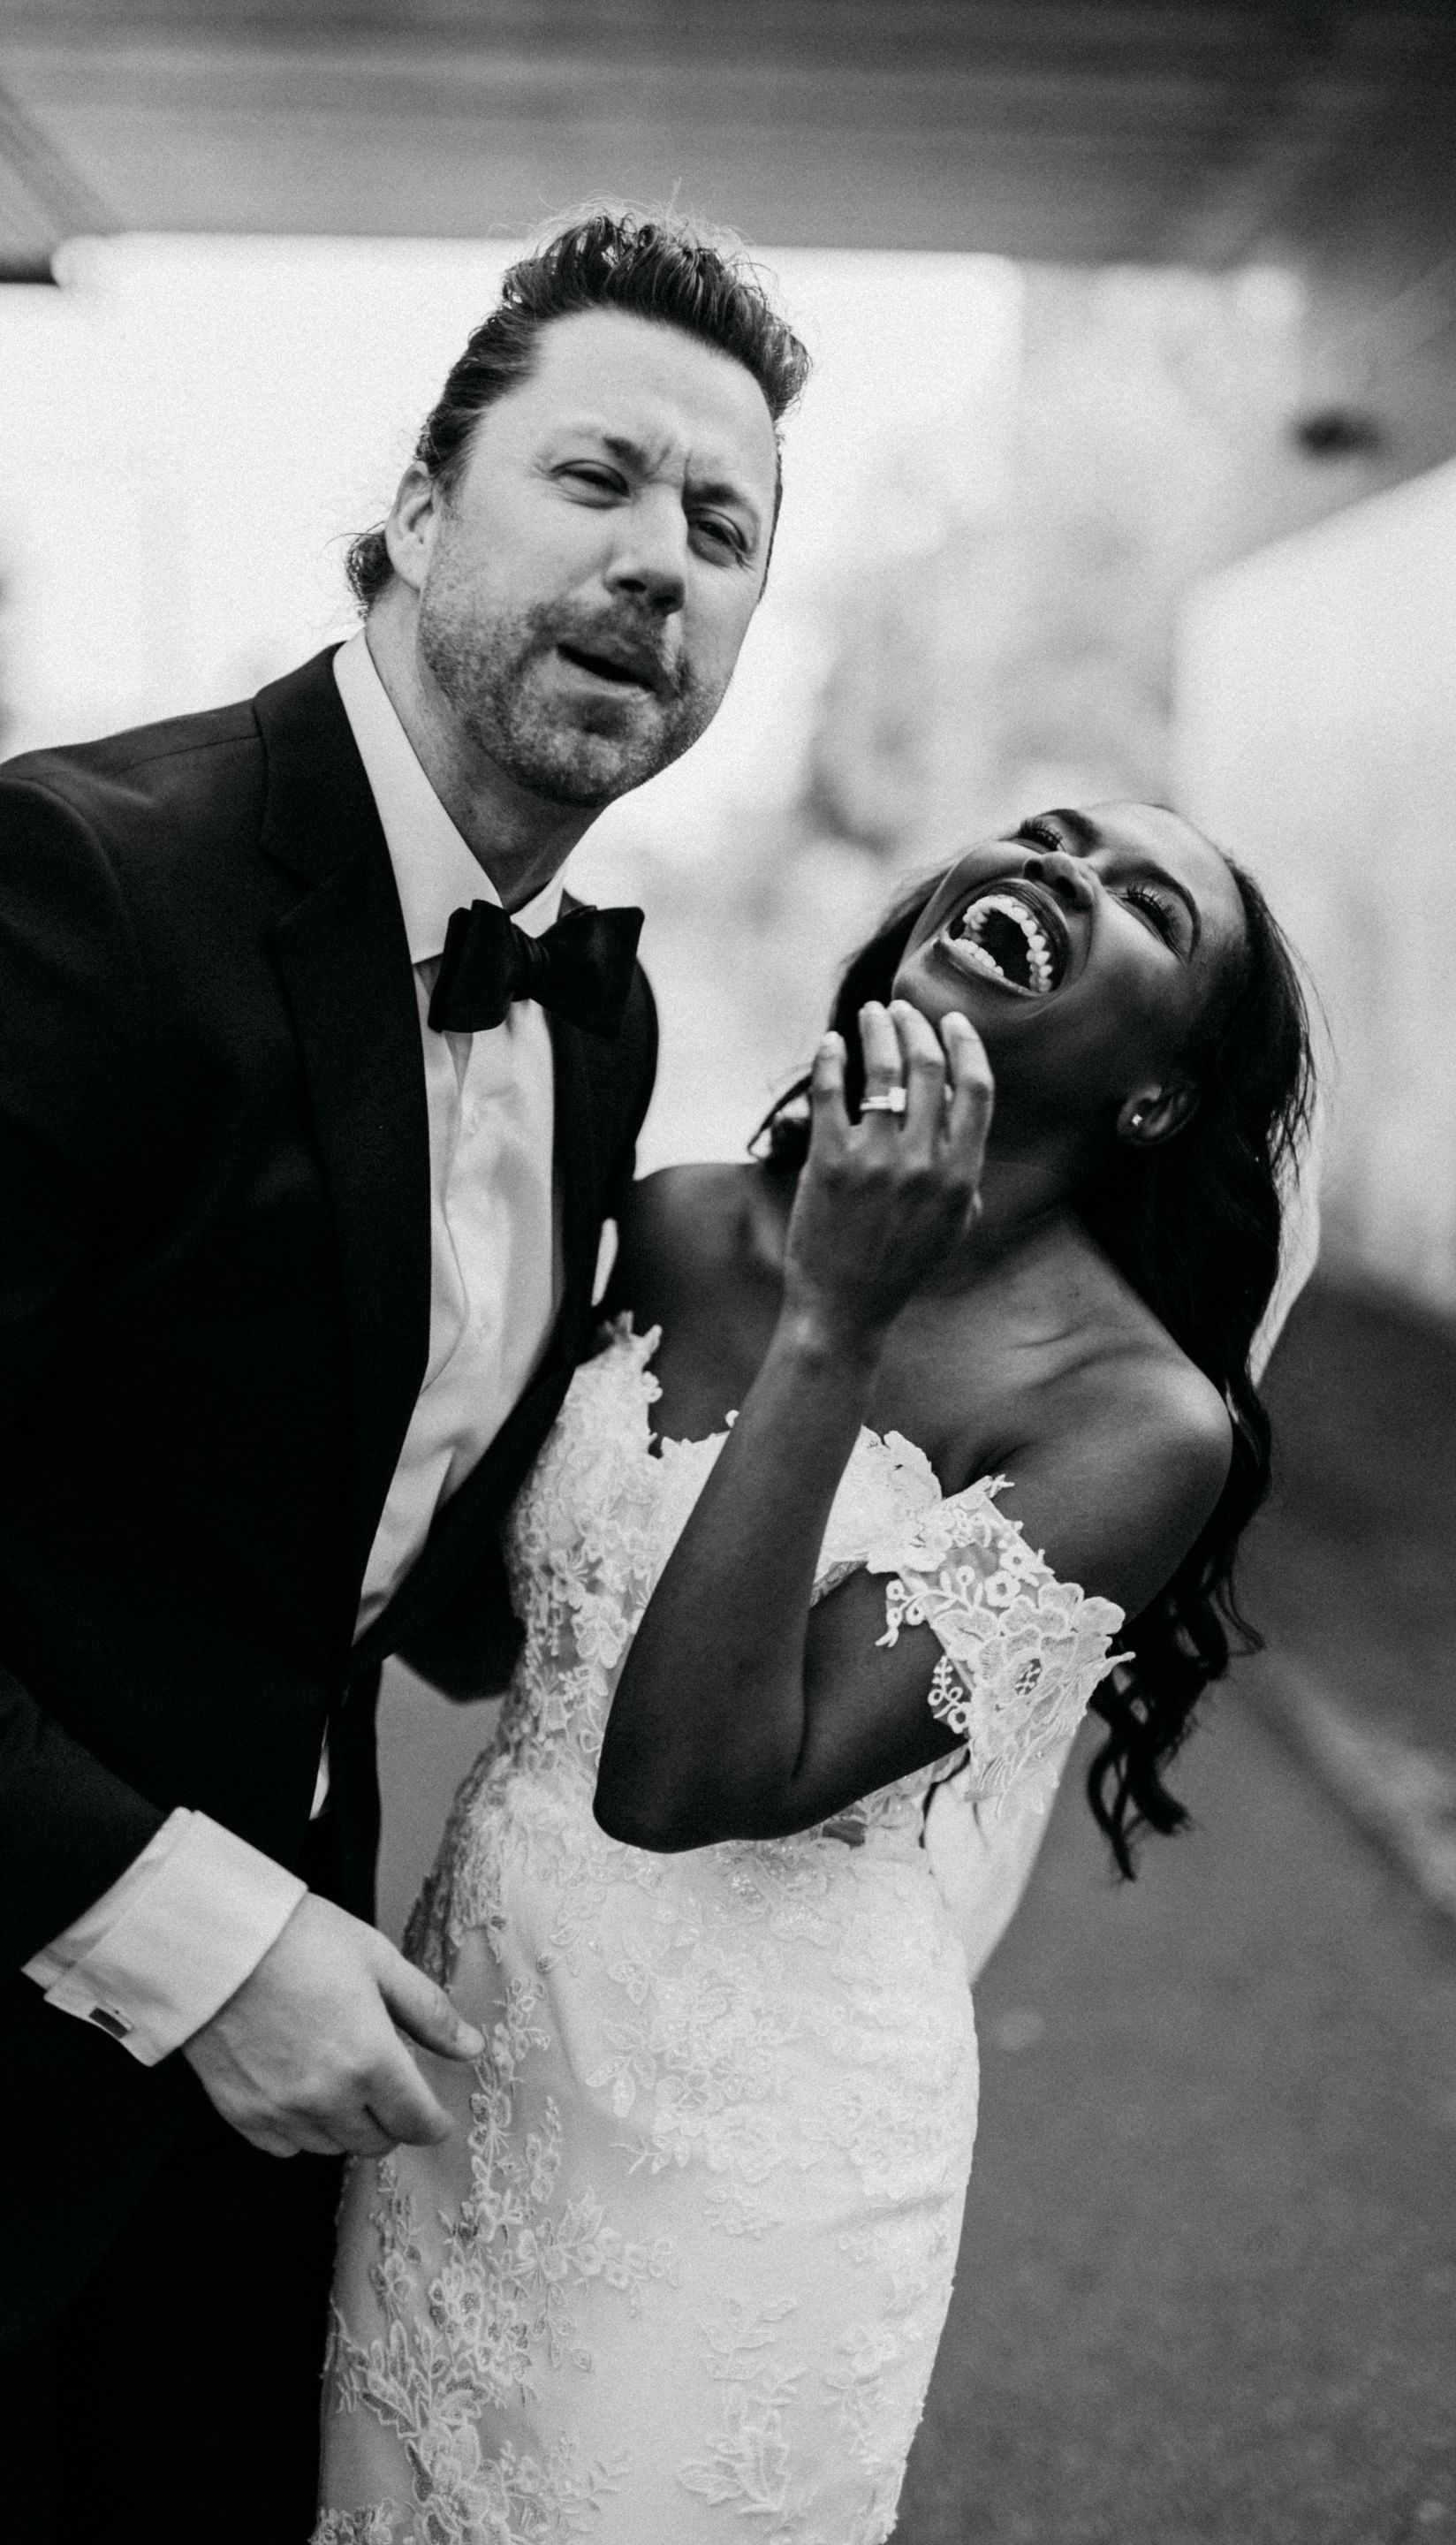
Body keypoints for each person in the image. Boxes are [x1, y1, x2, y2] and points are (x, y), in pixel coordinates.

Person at [0, 210, 810, 2543]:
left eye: (721, 528)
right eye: (595, 479)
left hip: (248, 2154)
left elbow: (417, 1552)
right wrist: (196, 1938)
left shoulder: (595, 1015)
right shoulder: (69, 894)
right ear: (423, 507)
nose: (660, 562)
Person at [320, 802, 1314, 2541]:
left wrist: (836, 1320)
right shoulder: (685, 1220)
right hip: (469, 2049)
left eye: (1143, 899)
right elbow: (487, 1638)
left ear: (1157, 1096)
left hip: (749, 2156)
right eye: (1046, 837)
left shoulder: (1134, 1421)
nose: (1063, 868)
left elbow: (689, 1781)